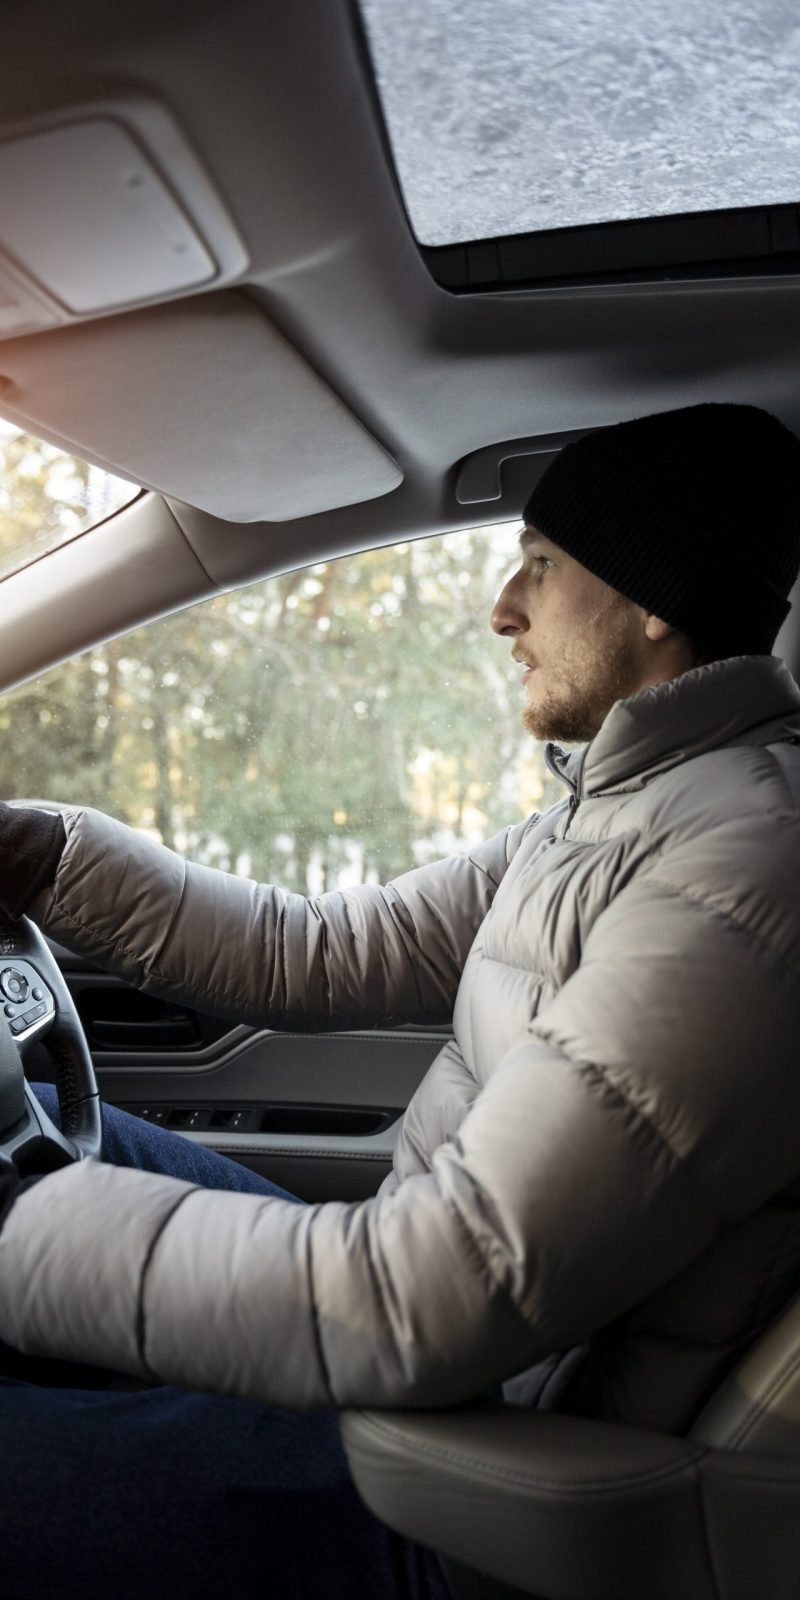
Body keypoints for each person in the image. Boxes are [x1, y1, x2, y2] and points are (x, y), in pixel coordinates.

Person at [2, 399, 800, 1599]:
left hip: (457, 1476)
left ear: (652, 599)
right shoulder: (614, 809)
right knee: (83, 1145)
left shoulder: (743, 867)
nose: (502, 609)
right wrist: (49, 857)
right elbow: (323, 952)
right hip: (431, 1369)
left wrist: (23, 1246)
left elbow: (438, 1288)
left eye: (540, 564)